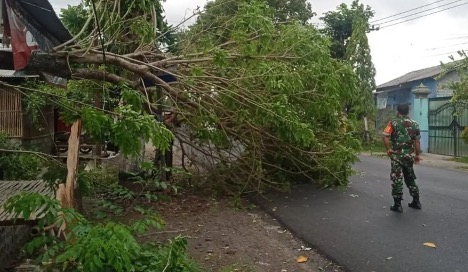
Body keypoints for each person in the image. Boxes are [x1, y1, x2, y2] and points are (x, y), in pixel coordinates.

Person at [382, 104, 422, 213]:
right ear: (408, 111)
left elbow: (385, 135)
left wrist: (388, 149)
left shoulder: (393, 123)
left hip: (397, 156)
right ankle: (416, 201)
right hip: (409, 156)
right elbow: (417, 141)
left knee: (397, 178)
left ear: (398, 111)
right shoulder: (415, 124)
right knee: (410, 178)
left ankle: (397, 205)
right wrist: (417, 155)